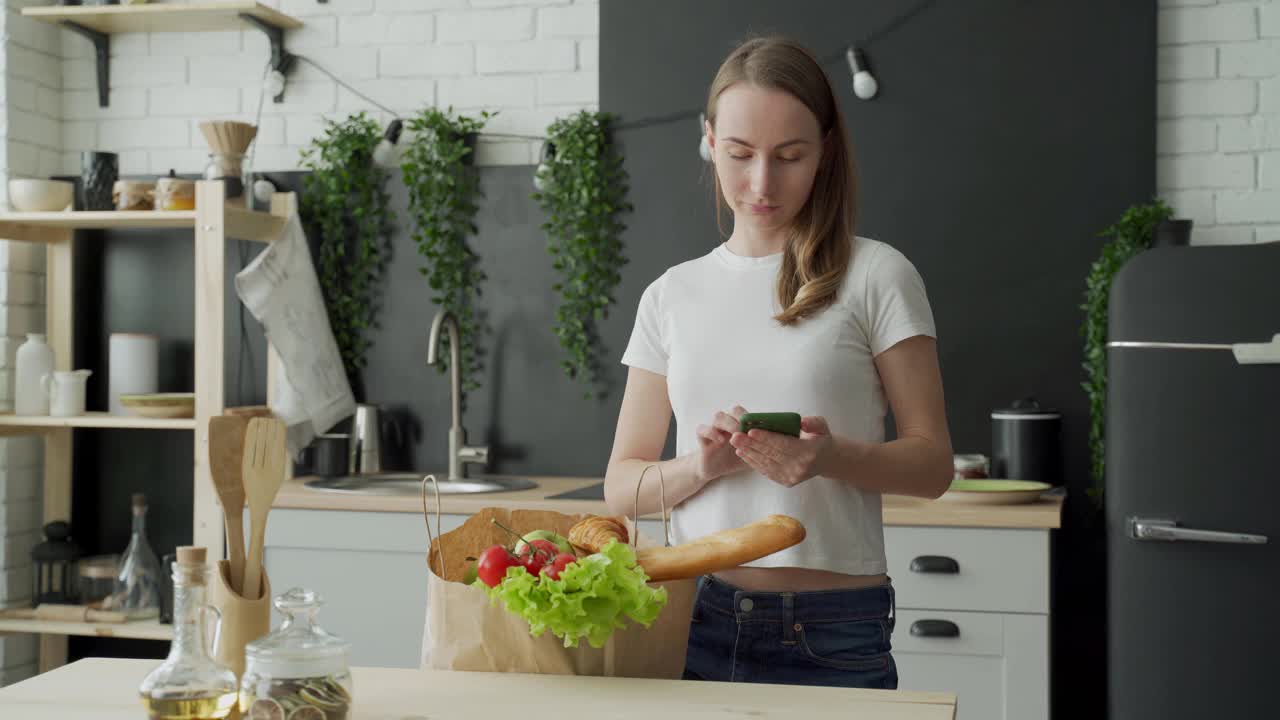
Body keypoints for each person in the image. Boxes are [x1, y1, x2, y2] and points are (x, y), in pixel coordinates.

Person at [603, 36, 953, 689]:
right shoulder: (670, 295)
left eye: (790, 156)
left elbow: (933, 466)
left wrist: (828, 458)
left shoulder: (878, 275)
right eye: (740, 154)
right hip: (689, 616)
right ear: (709, 139)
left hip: (833, 628)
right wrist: (699, 467)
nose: (761, 183)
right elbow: (621, 485)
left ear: (825, 152)